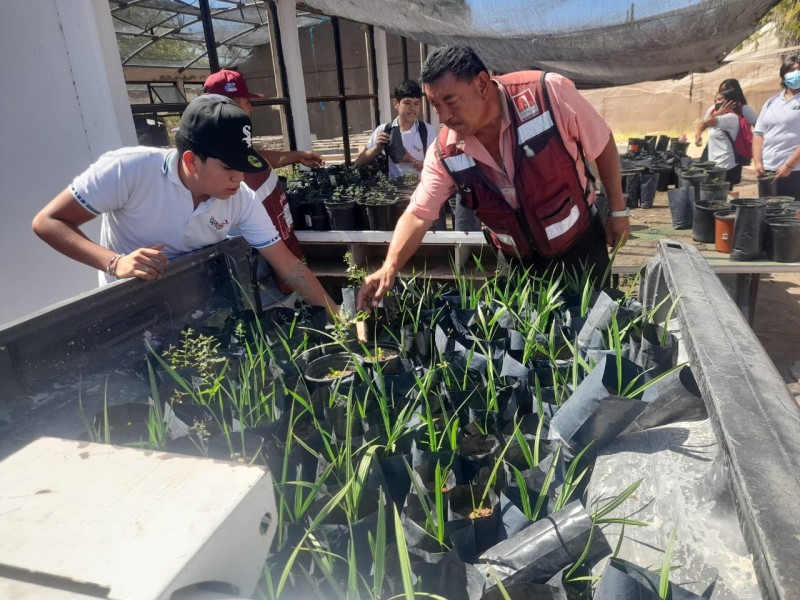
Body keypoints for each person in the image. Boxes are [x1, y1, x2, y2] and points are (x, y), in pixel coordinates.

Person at [357, 45, 629, 309]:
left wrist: (618, 211)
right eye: (435, 105)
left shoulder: (547, 95)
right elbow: (418, 213)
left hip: (579, 248)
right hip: (517, 263)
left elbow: (601, 142)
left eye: (450, 101)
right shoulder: (446, 151)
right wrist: (389, 266)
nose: (444, 116)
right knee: (527, 345)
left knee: (596, 335)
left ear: (482, 83)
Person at [32, 95, 338, 317]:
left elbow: (287, 264)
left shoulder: (239, 198)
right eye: (228, 168)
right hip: (132, 309)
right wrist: (115, 262)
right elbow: (49, 221)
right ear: (192, 160)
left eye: (243, 166)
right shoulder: (128, 170)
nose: (239, 177)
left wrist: (336, 315)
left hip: (197, 304)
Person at [204, 69, 324, 295]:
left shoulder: (239, 152)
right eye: (247, 102)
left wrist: (296, 156)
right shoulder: (220, 178)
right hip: (262, 271)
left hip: (283, 253)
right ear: (229, 107)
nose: (251, 109)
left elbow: (256, 158)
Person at [354, 80, 435, 179]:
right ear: (396, 103)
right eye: (407, 103)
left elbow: (435, 168)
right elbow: (359, 162)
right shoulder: (384, 129)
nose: (412, 108)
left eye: (416, 104)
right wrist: (376, 148)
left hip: (421, 188)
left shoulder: (427, 130)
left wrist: (409, 159)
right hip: (393, 190)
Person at [753, 54, 800, 201]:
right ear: (783, 74)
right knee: (768, 214)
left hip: (795, 171)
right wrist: (758, 162)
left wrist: (788, 166)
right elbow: (759, 133)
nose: (796, 74)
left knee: (792, 217)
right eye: (791, 70)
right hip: (768, 170)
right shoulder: (771, 102)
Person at [694, 91, 746, 187]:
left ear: (730, 102)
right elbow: (703, 124)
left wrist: (718, 112)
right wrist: (698, 134)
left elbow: (706, 122)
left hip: (725, 164)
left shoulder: (730, 117)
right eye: (715, 100)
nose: (716, 103)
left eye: (719, 99)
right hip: (716, 163)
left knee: (721, 195)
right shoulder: (721, 117)